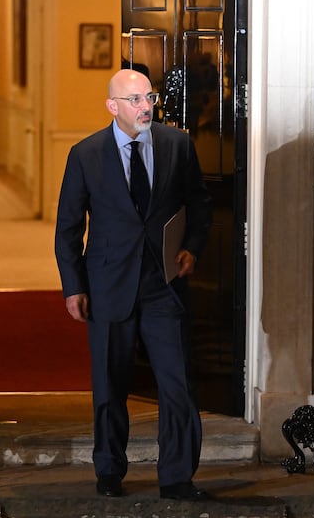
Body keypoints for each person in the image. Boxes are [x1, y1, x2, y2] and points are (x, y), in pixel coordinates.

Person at [54, 68, 212, 500]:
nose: (146, 107)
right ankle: (108, 472)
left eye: (149, 97)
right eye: (135, 100)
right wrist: (73, 286)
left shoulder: (177, 145)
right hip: (108, 286)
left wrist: (192, 249)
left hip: (164, 284)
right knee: (109, 387)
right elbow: (68, 227)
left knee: (177, 385)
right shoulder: (85, 154)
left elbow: (199, 202)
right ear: (113, 106)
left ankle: (178, 477)